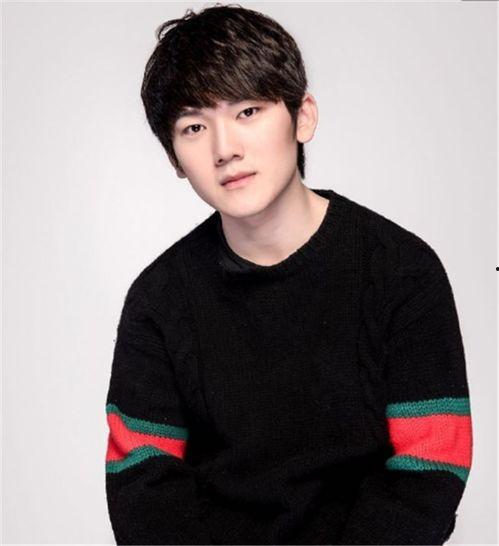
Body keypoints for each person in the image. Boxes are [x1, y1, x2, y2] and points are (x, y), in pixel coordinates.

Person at [104, 3, 473, 544]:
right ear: (175, 159)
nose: (225, 149)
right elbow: (142, 487)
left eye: (248, 111)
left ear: (303, 117)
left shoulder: (400, 271)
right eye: (194, 126)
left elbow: (430, 466)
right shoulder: (159, 300)